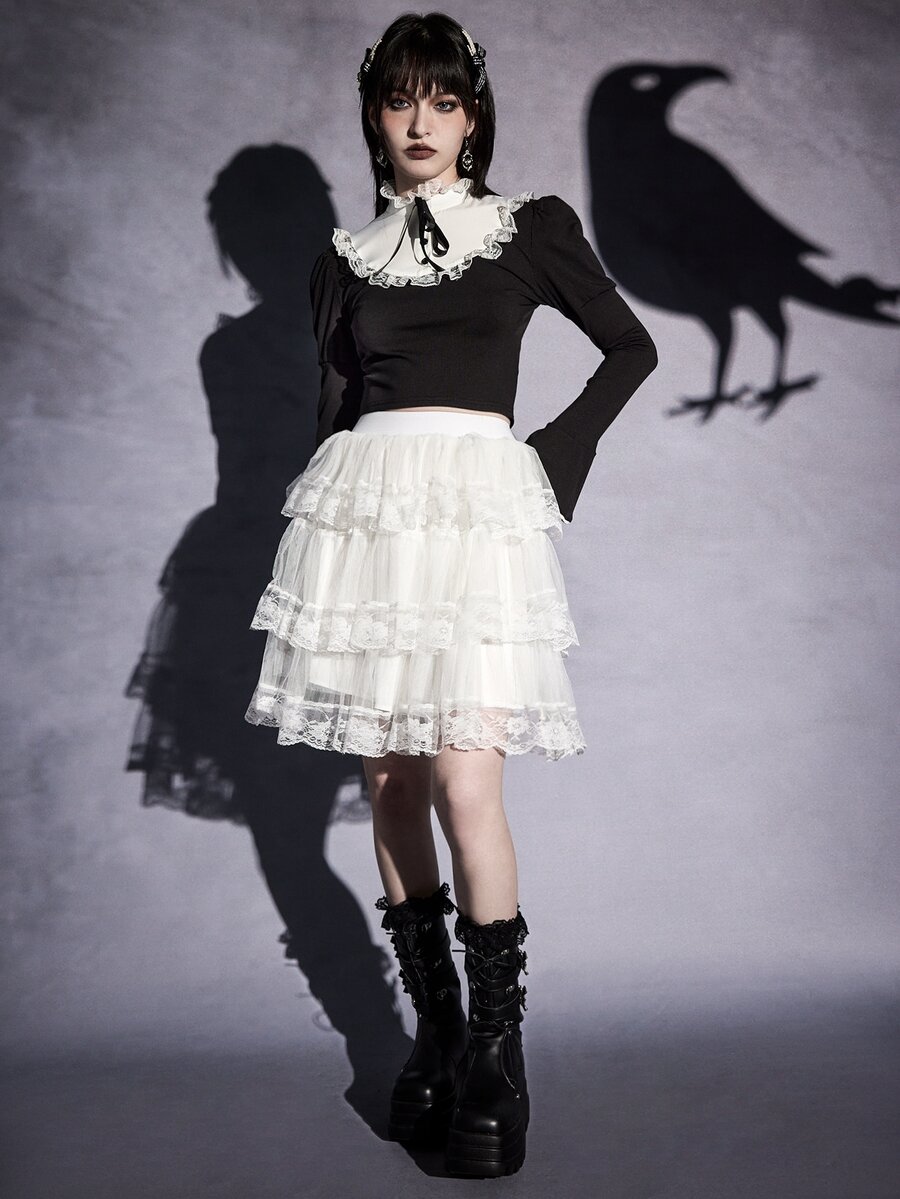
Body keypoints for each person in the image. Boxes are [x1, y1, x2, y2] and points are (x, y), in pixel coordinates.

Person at [244, 11, 658, 1179]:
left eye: (442, 98)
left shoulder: (529, 230)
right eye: (398, 99)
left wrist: (551, 457)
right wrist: (324, 551)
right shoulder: (344, 260)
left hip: (473, 520)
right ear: (374, 115)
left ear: (474, 114)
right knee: (389, 782)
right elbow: (336, 415)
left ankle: (496, 1052)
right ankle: (433, 1030)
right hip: (370, 522)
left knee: (467, 780)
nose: (419, 121)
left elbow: (629, 347)